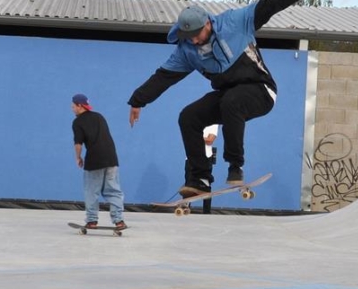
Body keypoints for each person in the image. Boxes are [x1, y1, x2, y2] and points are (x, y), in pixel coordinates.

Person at [127, 0, 300, 198]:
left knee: (231, 101)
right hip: (228, 96)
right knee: (189, 116)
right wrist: (138, 100)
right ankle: (200, 178)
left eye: (195, 35)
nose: (193, 41)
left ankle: (235, 166)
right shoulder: (187, 51)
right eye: (188, 37)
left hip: (260, 90)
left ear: (208, 23)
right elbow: (163, 76)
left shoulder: (236, 22)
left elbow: (269, 5)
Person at [71, 93, 125, 229]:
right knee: (113, 191)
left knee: (91, 191)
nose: (72, 108)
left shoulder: (77, 122)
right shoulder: (99, 116)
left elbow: (78, 143)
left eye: (73, 105)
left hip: (95, 159)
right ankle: (119, 221)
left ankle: (92, 221)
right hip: (112, 158)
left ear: (79, 106)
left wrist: (78, 157)